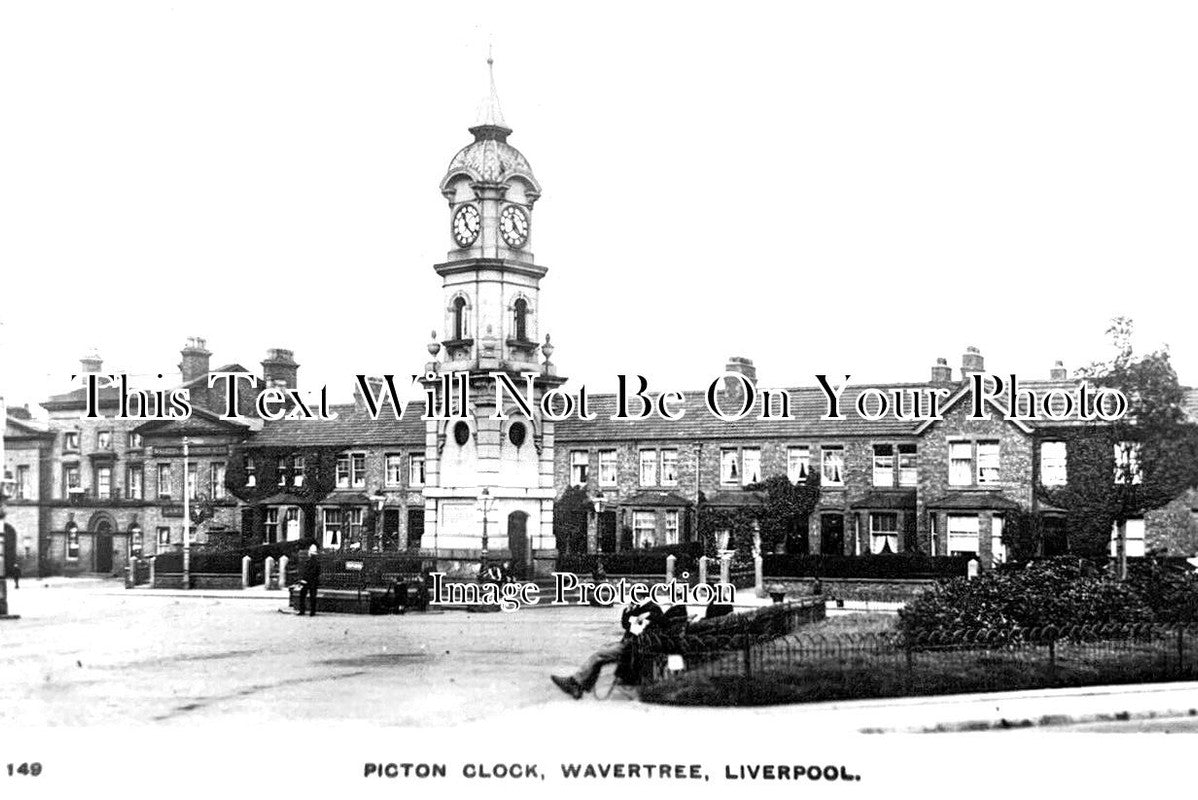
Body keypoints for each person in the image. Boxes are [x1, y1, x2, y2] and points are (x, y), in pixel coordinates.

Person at [551, 600, 670, 699]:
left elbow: (661, 622)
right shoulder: (636, 607)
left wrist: (646, 615)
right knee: (603, 652)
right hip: (628, 644)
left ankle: (575, 682)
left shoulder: (652, 608)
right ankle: (579, 685)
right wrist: (627, 612)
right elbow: (626, 625)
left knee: (599, 655)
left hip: (634, 647)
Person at [297, 544, 320, 617]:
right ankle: (312, 611)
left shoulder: (308, 562)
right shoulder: (317, 562)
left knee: (302, 595)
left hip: (306, 581)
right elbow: (317, 572)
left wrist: (304, 580)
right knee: (313, 596)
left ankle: (302, 610)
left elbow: (306, 572)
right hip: (314, 582)